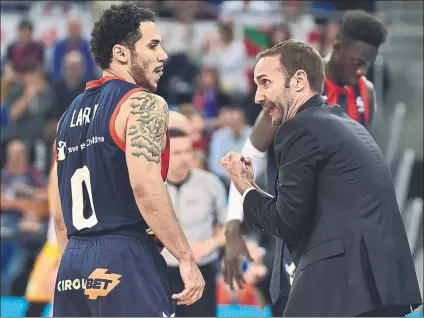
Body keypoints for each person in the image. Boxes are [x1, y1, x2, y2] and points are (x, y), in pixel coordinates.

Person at [220, 40, 422, 317]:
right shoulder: (346, 125)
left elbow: (287, 223)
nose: (257, 96)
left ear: (300, 80)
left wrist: (243, 185)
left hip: (342, 288)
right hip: (376, 287)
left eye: (265, 82)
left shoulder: (300, 128)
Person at [51, 3, 204, 316]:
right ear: (121, 53)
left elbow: (58, 214)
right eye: (153, 45)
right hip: (124, 257)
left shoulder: (66, 118)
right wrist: (186, 258)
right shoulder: (143, 104)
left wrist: (76, 271)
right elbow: (146, 188)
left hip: (72, 263)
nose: (163, 56)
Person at [163, 128, 227, 317]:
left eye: (188, 151)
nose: (184, 158)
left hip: (201, 270)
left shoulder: (210, 183)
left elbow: (230, 228)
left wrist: (210, 244)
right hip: (162, 271)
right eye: (177, 152)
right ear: (163, 154)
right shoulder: (152, 186)